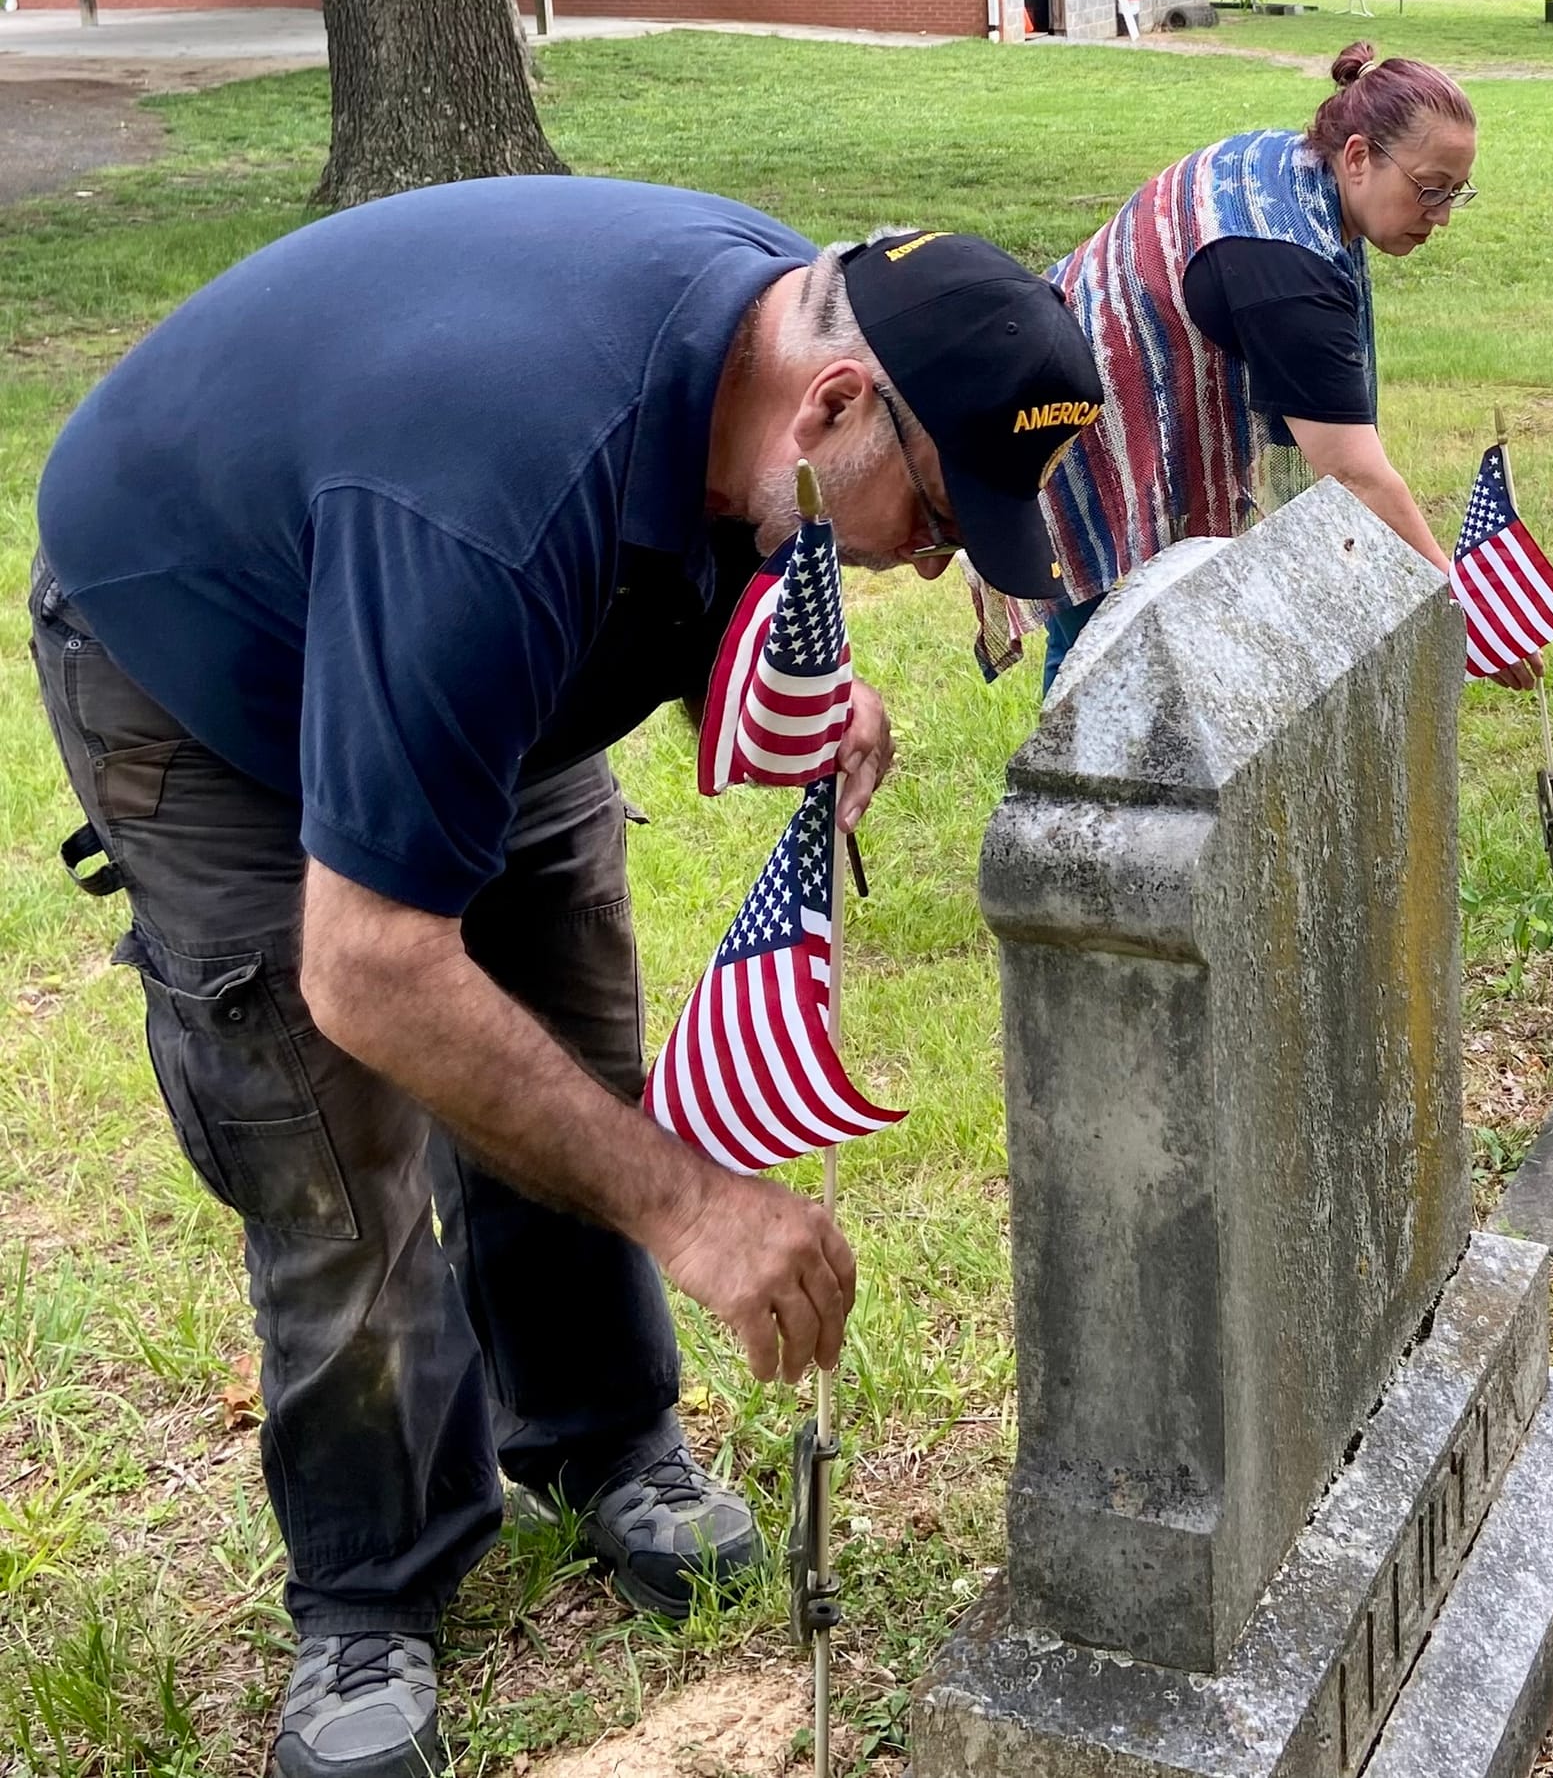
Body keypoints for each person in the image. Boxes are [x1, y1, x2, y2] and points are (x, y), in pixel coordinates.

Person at [29, 181, 1101, 1778]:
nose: (936, 562)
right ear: (840, 403)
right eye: (939, 518)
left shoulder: (774, 330)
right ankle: (371, 1587)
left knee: (572, 1054)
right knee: (338, 1151)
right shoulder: (496, 496)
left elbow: (735, 505)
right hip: (211, 676)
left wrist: (798, 663)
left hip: (480, 637)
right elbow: (374, 967)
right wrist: (702, 1208)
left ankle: (603, 1440)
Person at [976, 43, 1540, 690]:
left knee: (1103, 650)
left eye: (1455, 193)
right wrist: (1462, 609)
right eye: (1429, 189)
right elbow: (1354, 473)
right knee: (1106, 668)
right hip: (1078, 434)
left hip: (1073, 389)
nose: (1441, 215)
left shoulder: (1303, 174)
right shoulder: (1287, 260)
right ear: (1357, 156)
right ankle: (1064, 791)